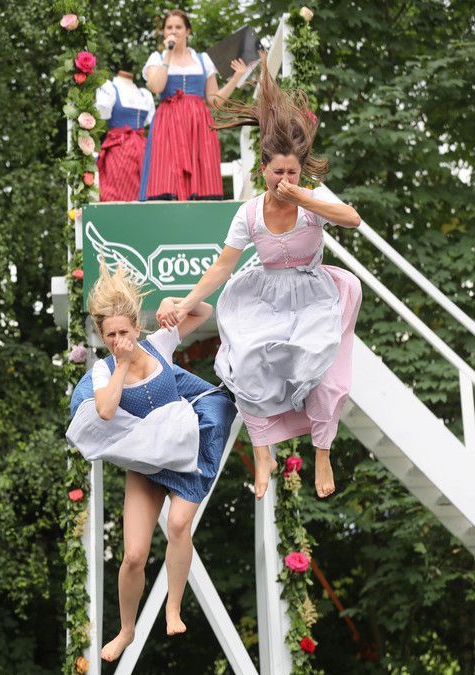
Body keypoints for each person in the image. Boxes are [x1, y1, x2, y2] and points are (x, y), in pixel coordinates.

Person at [156, 56, 362, 501]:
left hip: (312, 294)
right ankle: (263, 450)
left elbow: (351, 219)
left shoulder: (310, 200)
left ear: (299, 171)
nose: (284, 179)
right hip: (266, 295)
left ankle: (322, 450)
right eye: (278, 172)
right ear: (263, 169)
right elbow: (222, 266)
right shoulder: (248, 214)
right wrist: (186, 302)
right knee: (244, 362)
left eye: (292, 172)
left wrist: (304, 195)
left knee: (323, 374)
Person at [66, 262, 236, 661]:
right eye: (110, 335)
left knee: (177, 524)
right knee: (133, 555)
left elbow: (204, 311)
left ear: (136, 329)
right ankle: (127, 630)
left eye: (124, 332)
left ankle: (173, 607)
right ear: (102, 336)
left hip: (181, 452)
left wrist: (174, 303)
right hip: (145, 465)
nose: (118, 340)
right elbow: (105, 410)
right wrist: (123, 364)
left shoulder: (159, 343)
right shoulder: (103, 371)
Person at [139, 9, 247, 201]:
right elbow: (157, 86)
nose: (173, 31)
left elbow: (214, 100)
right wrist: (168, 55)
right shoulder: (157, 58)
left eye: (178, 27)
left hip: (198, 125)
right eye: (169, 27)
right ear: (164, 32)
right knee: (166, 175)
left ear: (187, 31)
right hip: (168, 124)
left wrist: (236, 78)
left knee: (203, 179)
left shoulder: (203, 60)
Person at [96, 69, 155, 201]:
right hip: (119, 150)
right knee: (118, 191)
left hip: (144, 152)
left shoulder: (143, 94)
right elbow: (101, 114)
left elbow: (149, 121)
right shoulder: (110, 89)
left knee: (145, 191)